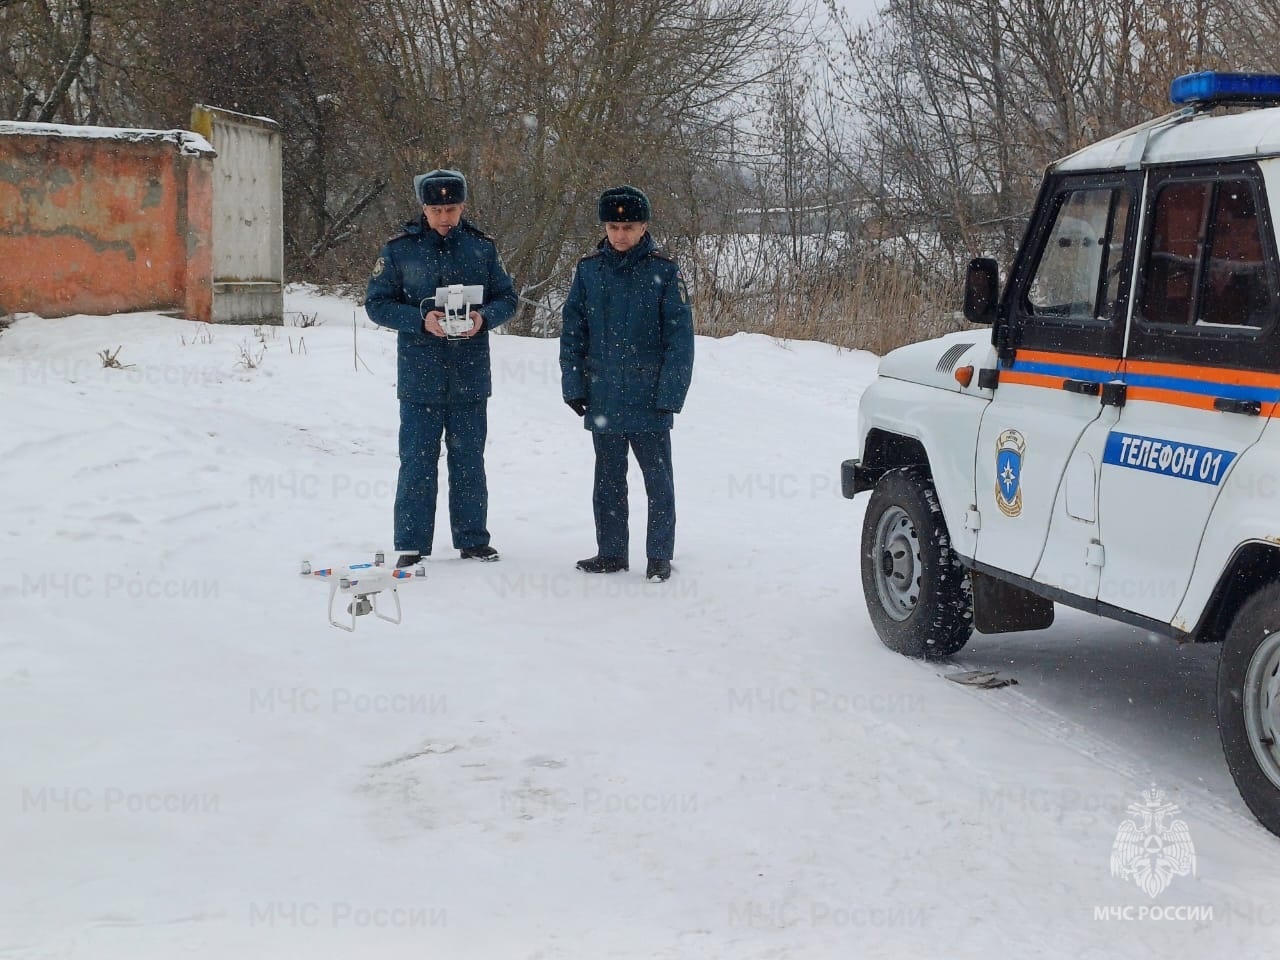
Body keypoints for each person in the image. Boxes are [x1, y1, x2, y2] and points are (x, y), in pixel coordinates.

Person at [366, 168, 517, 565]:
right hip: (419, 377)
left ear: (463, 205)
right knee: (417, 461)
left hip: (469, 376)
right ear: (423, 208)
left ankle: (472, 539)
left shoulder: (482, 248)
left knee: (469, 460)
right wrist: (419, 320)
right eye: (436, 210)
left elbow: (507, 298)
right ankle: (412, 545)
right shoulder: (400, 250)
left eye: (451, 208)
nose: (444, 217)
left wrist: (484, 317)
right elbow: (376, 304)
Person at [559, 185, 695, 582]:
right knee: (608, 480)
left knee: (657, 481)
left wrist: (669, 394)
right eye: (614, 226)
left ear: (644, 226)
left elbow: (680, 341)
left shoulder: (664, 271)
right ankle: (612, 552)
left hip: (649, 397)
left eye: (629, 226)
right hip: (603, 395)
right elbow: (573, 332)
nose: (620, 234)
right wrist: (574, 384)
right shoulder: (588, 270)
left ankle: (658, 556)